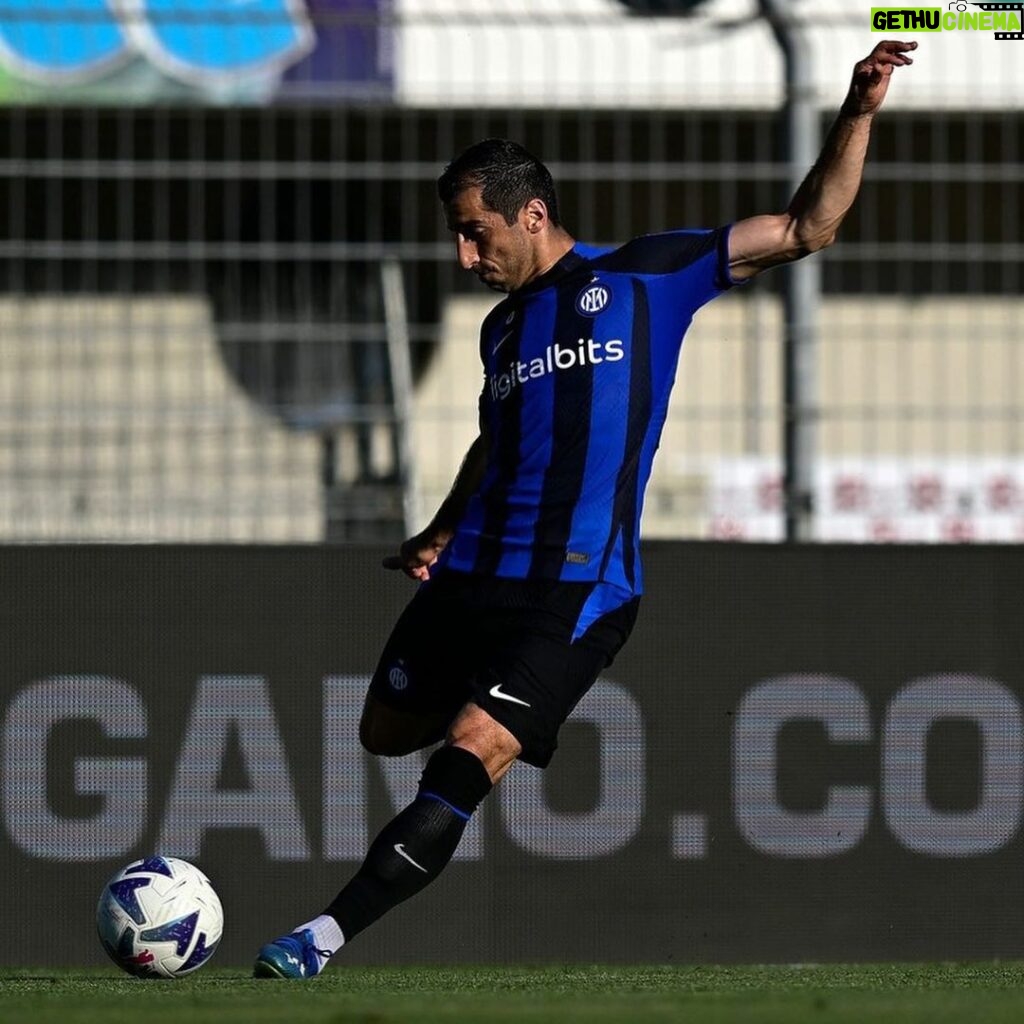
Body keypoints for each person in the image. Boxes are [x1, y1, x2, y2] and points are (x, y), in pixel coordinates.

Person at [253, 38, 916, 978]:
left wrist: (858, 109)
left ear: (533, 213)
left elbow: (809, 226)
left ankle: (316, 939)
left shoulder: (649, 276)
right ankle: (485, 711)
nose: (463, 251)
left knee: (469, 751)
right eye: (457, 232)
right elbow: (497, 444)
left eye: (476, 230)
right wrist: (443, 527)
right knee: (383, 734)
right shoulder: (503, 330)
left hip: (577, 590)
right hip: (478, 569)